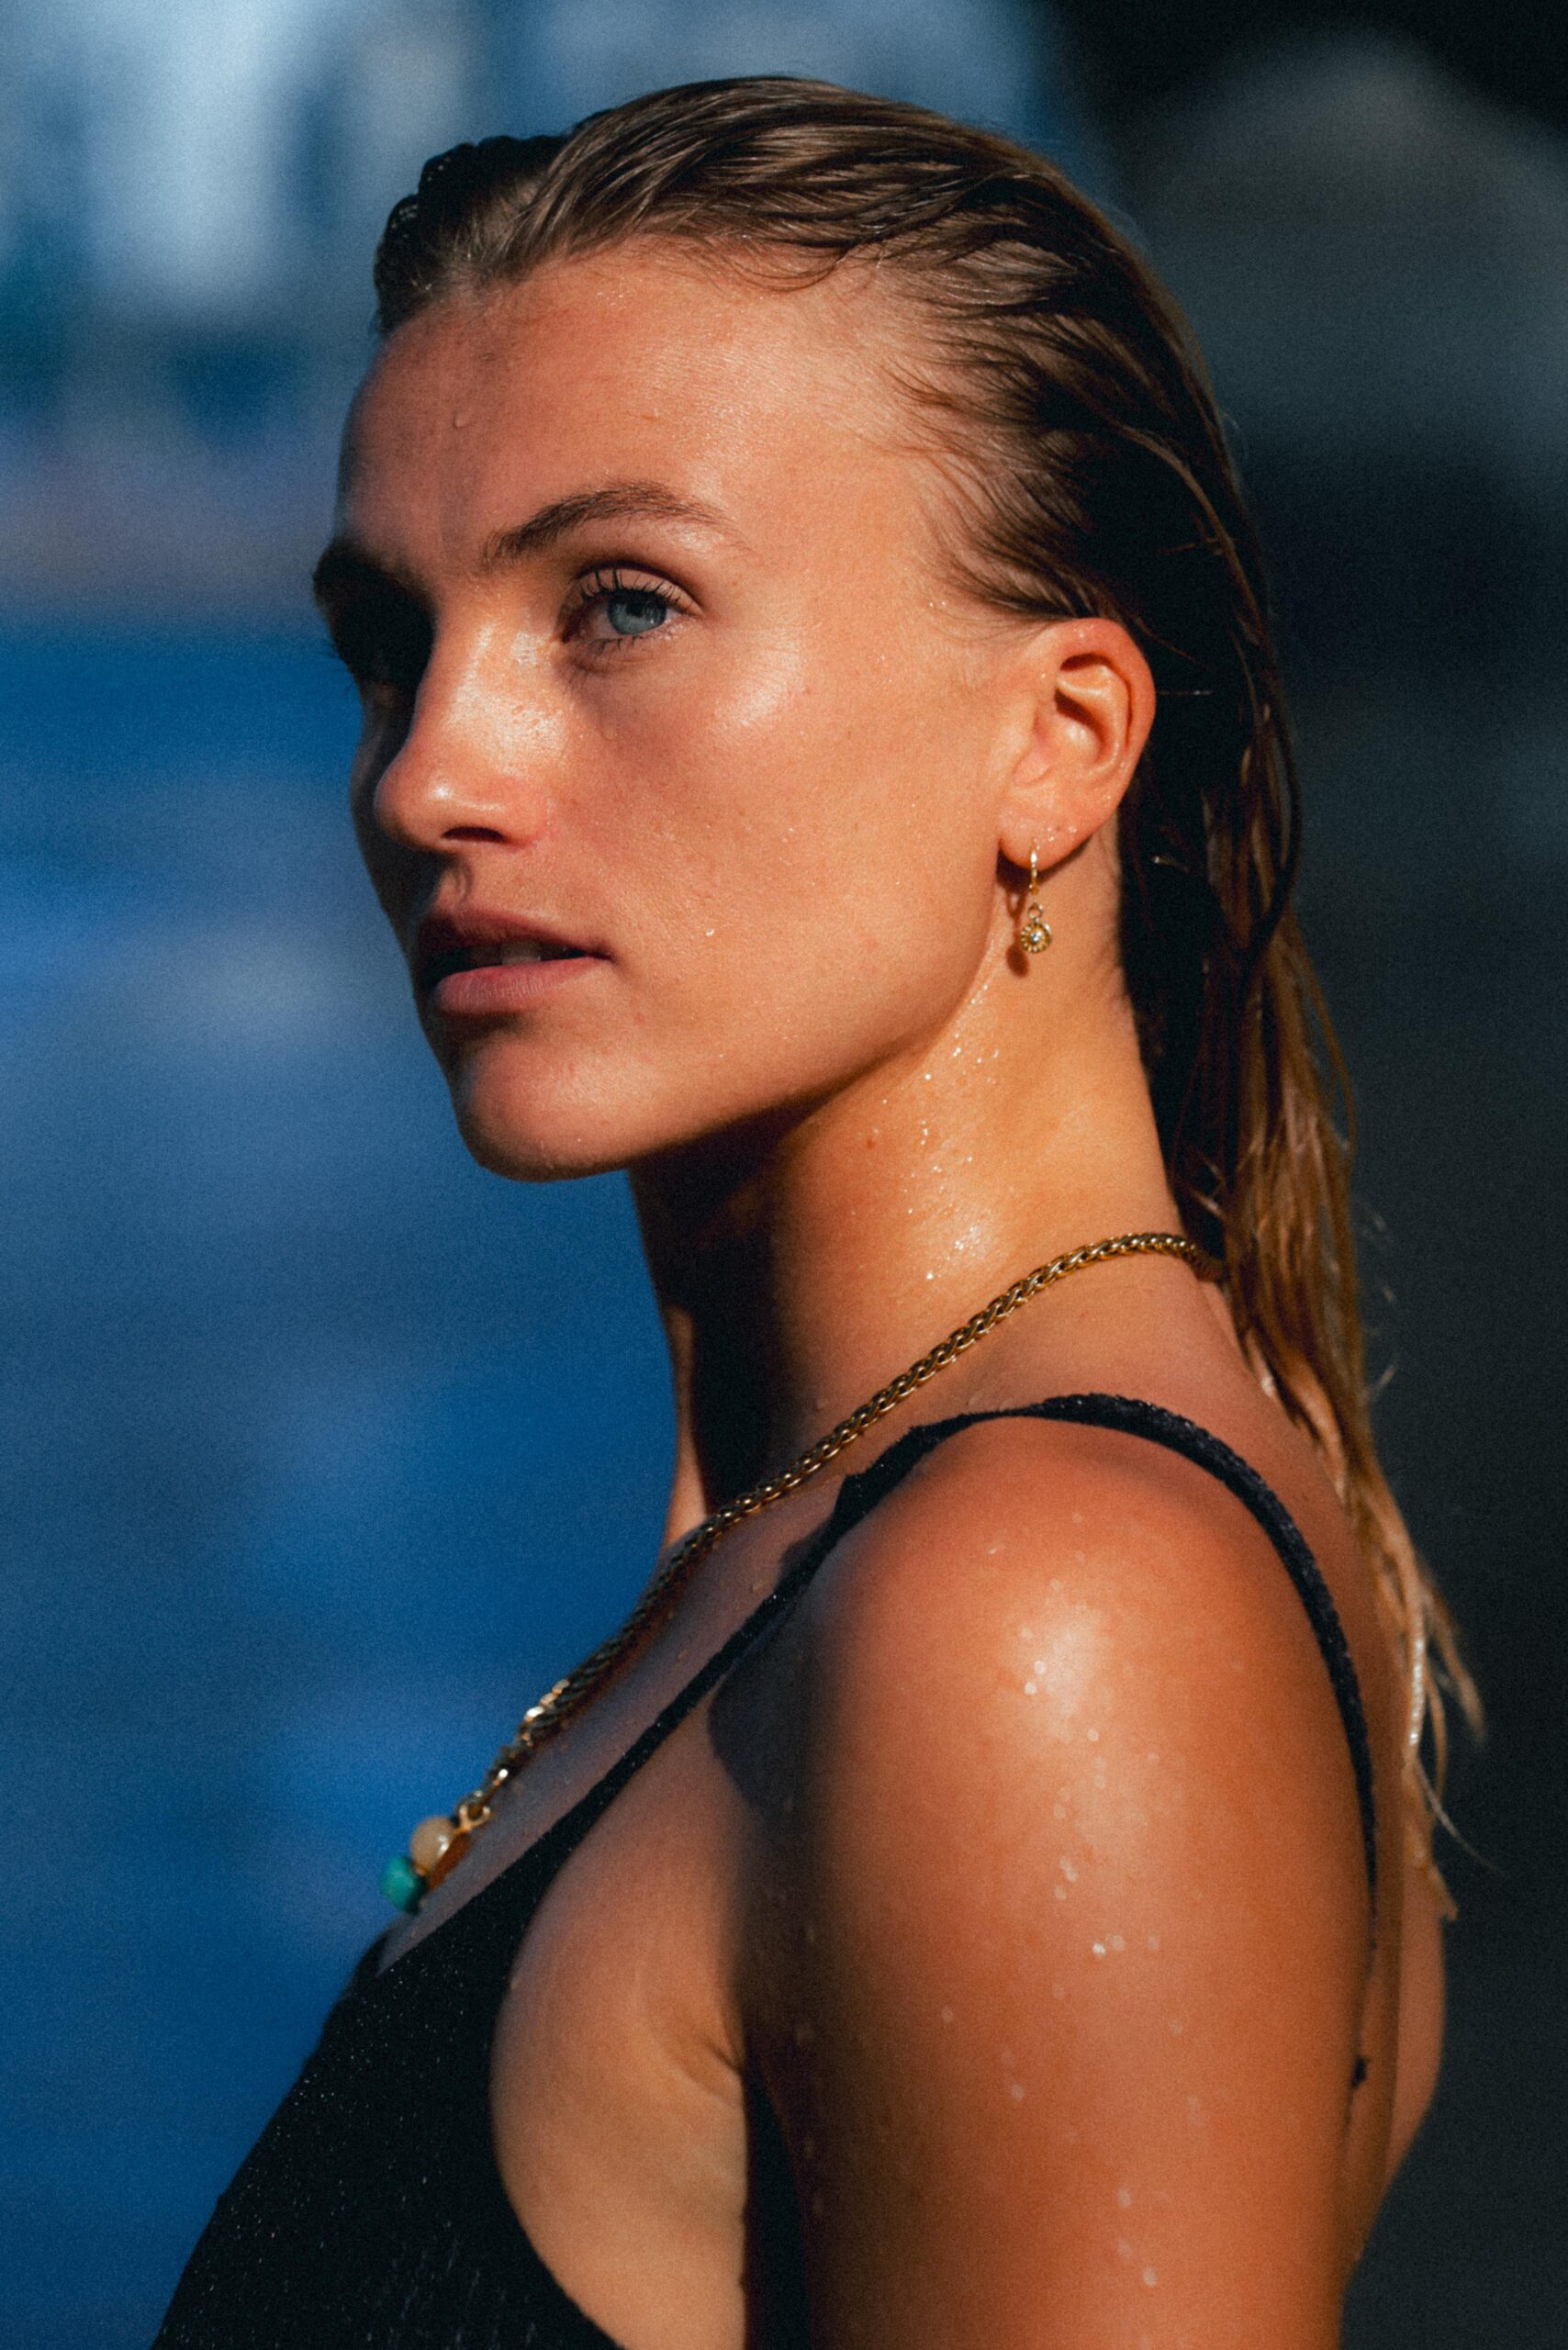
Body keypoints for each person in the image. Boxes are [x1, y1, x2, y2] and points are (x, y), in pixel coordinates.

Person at [152, 75, 1477, 2350]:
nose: (429, 770)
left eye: (619, 604)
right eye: (389, 643)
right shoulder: (847, 1534)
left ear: (1059, 736)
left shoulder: (1039, 1611)